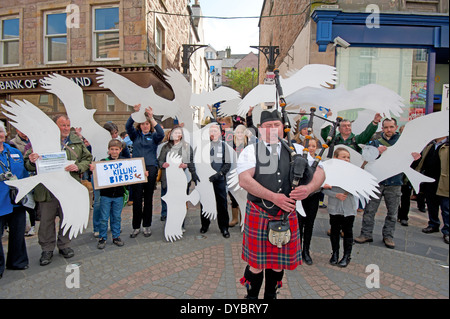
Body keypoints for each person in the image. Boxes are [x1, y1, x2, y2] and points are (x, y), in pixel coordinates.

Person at [237, 109, 325, 299]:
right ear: (261, 130)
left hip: (285, 216)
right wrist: (273, 197)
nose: (272, 129)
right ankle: (251, 298)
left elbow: (320, 172)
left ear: (282, 128)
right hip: (259, 212)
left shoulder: (297, 150)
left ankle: (271, 296)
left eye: (276, 125)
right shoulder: (251, 150)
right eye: (267, 126)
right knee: (256, 264)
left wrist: (309, 189)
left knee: (277, 264)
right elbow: (244, 180)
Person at [25, 114, 92, 266]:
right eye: (63, 125)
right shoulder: (41, 141)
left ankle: (64, 245)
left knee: (66, 216)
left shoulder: (76, 141)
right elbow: (28, 165)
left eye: (68, 125)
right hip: (47, 189)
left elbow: (87, 159)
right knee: (46, 221)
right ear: (55, 126)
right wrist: (31, 160)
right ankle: (47, 249)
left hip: (68, 188)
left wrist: (78, 167)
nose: (66, 128)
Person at [355, 118, 420, 249]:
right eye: (386, 127)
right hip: (376, 181)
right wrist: (376, 152)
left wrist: (416, 157)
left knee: (392, 212)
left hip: (395, 182)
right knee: (369, 210)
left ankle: (388, 236)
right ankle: (366, 233)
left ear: (396, 127)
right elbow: (365, 158)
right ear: (382, 128)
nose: (388, 130)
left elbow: (411, 162)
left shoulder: (404, 143)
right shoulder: (375, 142)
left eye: (391, 127)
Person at [126, 104, 164, 238]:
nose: (145, 126)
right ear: (140, 125)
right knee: (136, 199)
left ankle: (147, 225)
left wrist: (152, 117)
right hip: (137, 168)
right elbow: (127, 127)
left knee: (148, 198)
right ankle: (136, 226)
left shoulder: (154, 137)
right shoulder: (135, 136)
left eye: (147, 124)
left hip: (151, 168)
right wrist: (134, 114)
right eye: (142, 124)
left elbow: (161, 133)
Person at [0, 122, 29, 279]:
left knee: (18, 233)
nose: (0, 134)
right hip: (0, 200)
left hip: (16, 199)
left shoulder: (13, 152)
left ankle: (17, 261)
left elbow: (24, 172)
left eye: (1, 131)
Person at [322, 148, 357, 267]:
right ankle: (335, 253)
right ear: (336, 158)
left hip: (349, 208)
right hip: (335, 207)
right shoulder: (329, 172)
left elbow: (358, 188)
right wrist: (335, 195)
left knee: (348, 231)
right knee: (335, 230)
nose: (347, 159)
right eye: (344, 157)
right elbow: (322, 188)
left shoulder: (353, 172)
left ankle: (347, 255)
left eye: (348, 157)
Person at [158, 126, 199, 222]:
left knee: (180, 199)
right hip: (168, 178)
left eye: (179, 133)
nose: (177, 135)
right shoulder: (165, 146)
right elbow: (160, 160)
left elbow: (190, 161)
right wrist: (162, 164)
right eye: (175, 132)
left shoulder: (186, 146)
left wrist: (186, 165)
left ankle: (180, 219)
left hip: (181, 177)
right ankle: (166, 214)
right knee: (166, 196)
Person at [90, 139, 126, 249]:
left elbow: (133, 173)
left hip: (119, 195)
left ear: (120, 150)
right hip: (105, 195)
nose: (114, 151)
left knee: (116, 217)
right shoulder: (102, 162)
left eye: (116, 149)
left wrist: (142, 173)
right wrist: (93, 170)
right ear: (108, 150)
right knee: (104, 218)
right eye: (112, 149)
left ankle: (116, 236)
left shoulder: (125, 162)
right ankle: (102, 238)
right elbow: (97, 174)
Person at [415, 136, 449, 244]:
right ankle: (433, 224)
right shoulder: (430, 145)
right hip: (430, 180)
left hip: (444, 181)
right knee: (431, 205)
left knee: (446, 208)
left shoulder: (447, 146)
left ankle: (447, 231)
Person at [200, 123, 232, 238]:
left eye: (215, 131)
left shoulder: (224, 146)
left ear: (220, 133)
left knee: (222, 204)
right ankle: (205, 225)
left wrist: (219, 174)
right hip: (206, 180)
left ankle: (224, 228)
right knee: (205, 202)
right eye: (211, 131)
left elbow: (228, 164)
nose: (213, 133)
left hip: (219, 179)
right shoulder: (203, 146)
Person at [298, 137, 322, 265]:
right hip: (300, 196)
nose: (311, 148)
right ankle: (297, 250)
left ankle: (306, 250)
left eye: (314, 146)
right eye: (309, 146)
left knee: (309, 224)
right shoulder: (299, 159)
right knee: (299, 224)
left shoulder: (320, 161)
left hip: (313, 196)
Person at [8, 129, 36, 236]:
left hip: (29, 176)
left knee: (30, 203)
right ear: (16, 130)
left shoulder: (31, 142)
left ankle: (31, 225)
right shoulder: (13, 144)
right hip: (17, 180)